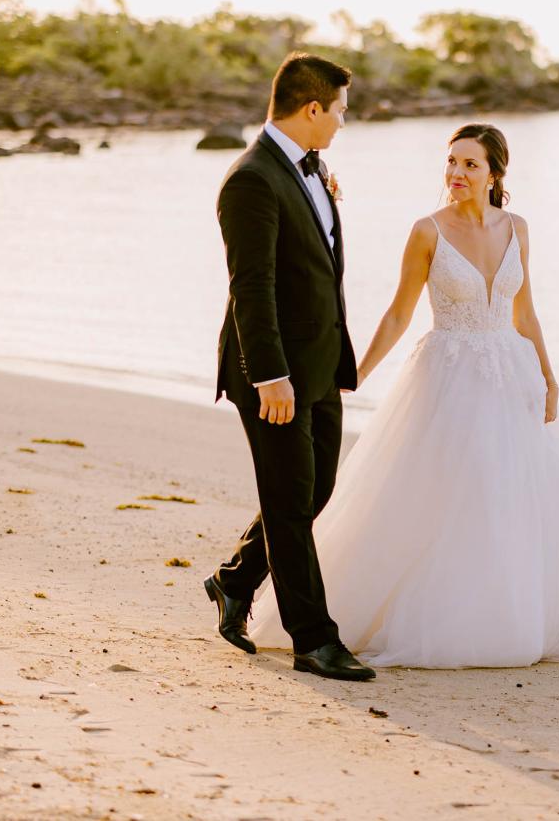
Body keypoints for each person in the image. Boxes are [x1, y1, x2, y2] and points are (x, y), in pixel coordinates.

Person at [244, 122, 559, 668]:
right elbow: (399, 312)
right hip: (446, 379)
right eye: (451, 162)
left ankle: (519, 606)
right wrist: (352, 373)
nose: (456, 174)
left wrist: (549, 374)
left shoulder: (518, 227)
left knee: (516, 495)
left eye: (470, 165)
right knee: (449, 496)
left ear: (495, 173)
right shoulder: (427, 230)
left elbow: (524, 311)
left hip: (511, 375)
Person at [203, 53, 374, 682]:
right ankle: (314, 639)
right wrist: (269, 375)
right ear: (311, 109)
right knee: (288, 500)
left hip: (319, 366)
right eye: (339, 113)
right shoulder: (250, 179)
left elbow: (318, 269)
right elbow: (253, 286)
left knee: (314, 492)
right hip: (271, 372)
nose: (340, 125)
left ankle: (233, 580)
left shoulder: (311, 171)